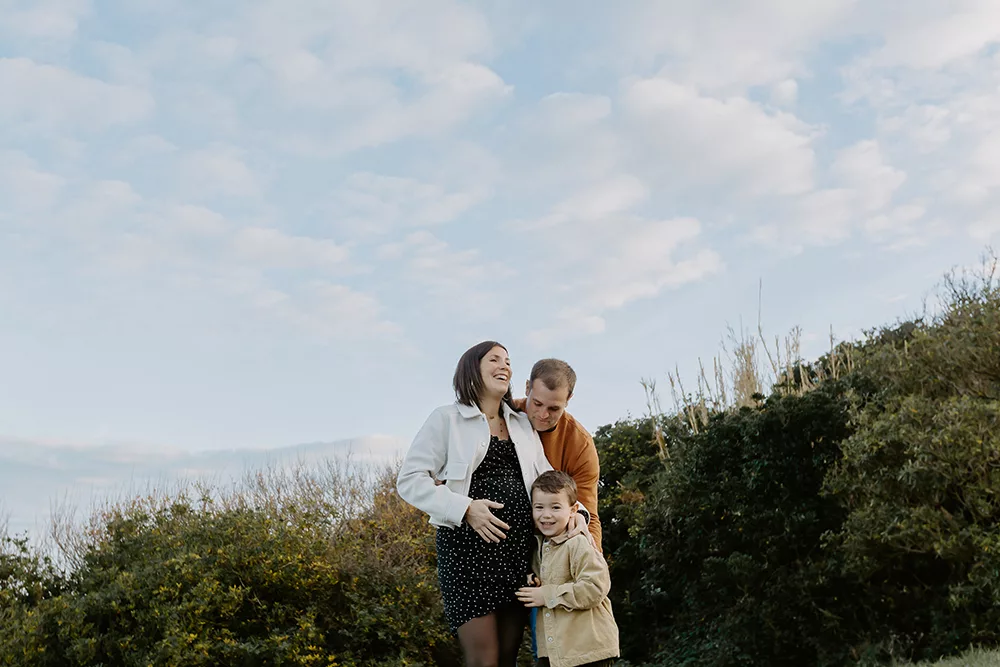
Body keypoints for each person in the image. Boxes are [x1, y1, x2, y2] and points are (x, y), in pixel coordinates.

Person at [396, 341, 554, 667]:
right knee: (484, 660)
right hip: (467, 553)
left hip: (516, 557)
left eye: (508, 361)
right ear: (472, 368)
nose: (505, 366)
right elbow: (410, 479)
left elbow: (547, 478)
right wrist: (465, 508)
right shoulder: (446, 419)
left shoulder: (522, 424)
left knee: (508, 657)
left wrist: (577, 512)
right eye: (494, 359)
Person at [516, 470, 619, 667]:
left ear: (573, 510)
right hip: (556, 654)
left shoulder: (577, 543)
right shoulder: (539, 547)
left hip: (589, 651)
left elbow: (596, 587)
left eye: (555, 507)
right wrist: (533, 579)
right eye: (539, 507)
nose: (546, 515)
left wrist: (547, 595)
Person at [515, 359, 602, 551]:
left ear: (568, 400)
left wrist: (595, 567)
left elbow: (588, 513)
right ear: (527, 388)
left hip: (548, 548)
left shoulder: (581, 445)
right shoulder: (501, 417)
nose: (543, 415)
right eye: (537, 404)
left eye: (554, 408)